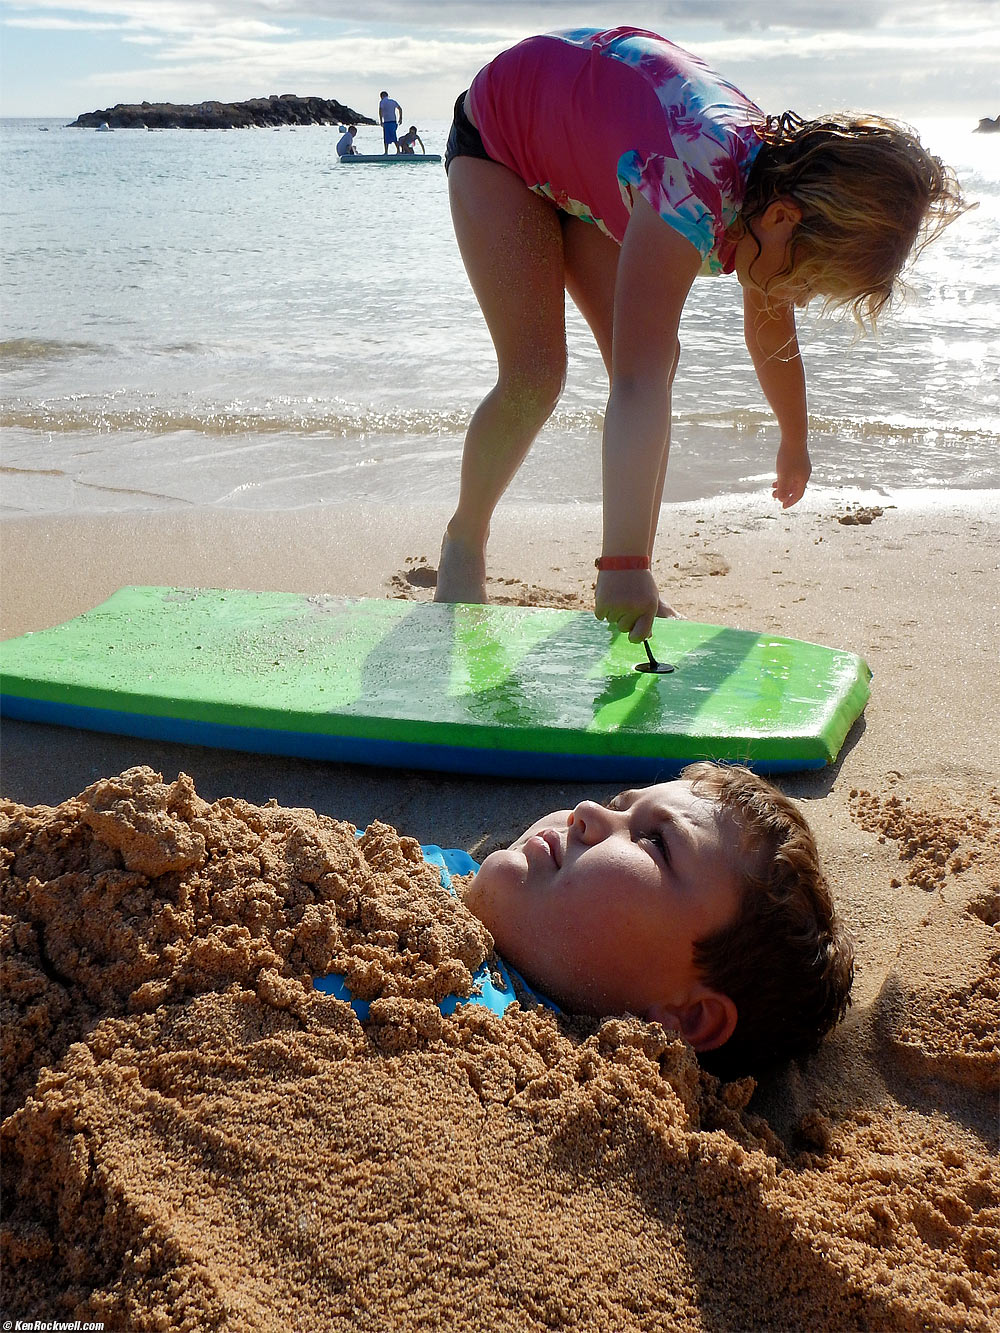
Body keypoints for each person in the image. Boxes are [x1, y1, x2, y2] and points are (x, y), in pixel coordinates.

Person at [435, 27, 968, 641]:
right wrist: (623, 568)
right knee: (538, 374)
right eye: (805, 282)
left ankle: (632, 569)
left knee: (655, 364)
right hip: (502, 140)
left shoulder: (777, 192)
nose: (793, 298)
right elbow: (636, 382)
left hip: (590, 158)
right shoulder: (695, 177)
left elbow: (771, 339)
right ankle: (465, 543)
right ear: (781, 218)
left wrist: (794, 440)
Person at [317, 762, 855, 1078]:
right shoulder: (397, 867)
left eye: (654, 842)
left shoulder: (500, 1068)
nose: (588, 813)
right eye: (618, 801)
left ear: (691, 1018)